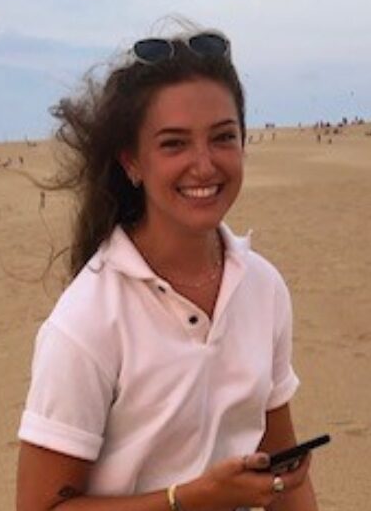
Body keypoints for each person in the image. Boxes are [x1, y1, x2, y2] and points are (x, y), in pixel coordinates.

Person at [16, 26, 319, 511]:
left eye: (223, 138)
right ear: (132, 162)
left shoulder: (262, 287)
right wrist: (192, 499)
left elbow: (285, 473)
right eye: (174, 144)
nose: (204, 165)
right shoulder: (88, 321)